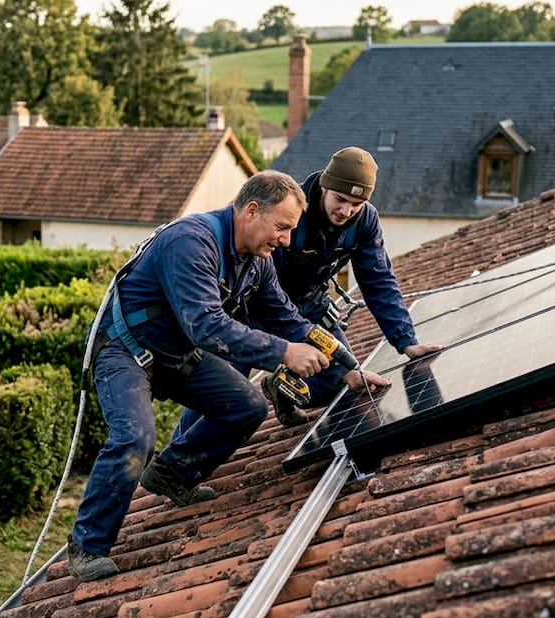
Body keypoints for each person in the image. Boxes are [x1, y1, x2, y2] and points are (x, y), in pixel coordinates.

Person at [66, 170, 333, 581]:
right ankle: (88, 544)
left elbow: (286, 318)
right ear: (251, 210)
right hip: (124, 348)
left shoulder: (256, 263)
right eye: (281, 227)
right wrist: (283, 352)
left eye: (290, 230)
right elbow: (206, 326)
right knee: (135, 437)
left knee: (248, 406)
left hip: (174, 353)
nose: (285, 240)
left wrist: (346, 367)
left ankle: (173, 474)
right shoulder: (191, 242)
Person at [264, 147, 442, 426]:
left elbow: (378, 281)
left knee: (345, 382)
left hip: (312, 303)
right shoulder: (292, 211)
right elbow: (262, 284)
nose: (346, 211)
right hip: (264, 304)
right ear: (324, 186)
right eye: (340, 199)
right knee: (230, 397)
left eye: (356, 204)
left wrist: (406, 341)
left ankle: (282, 387)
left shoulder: (365, 221)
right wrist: (303, 340)